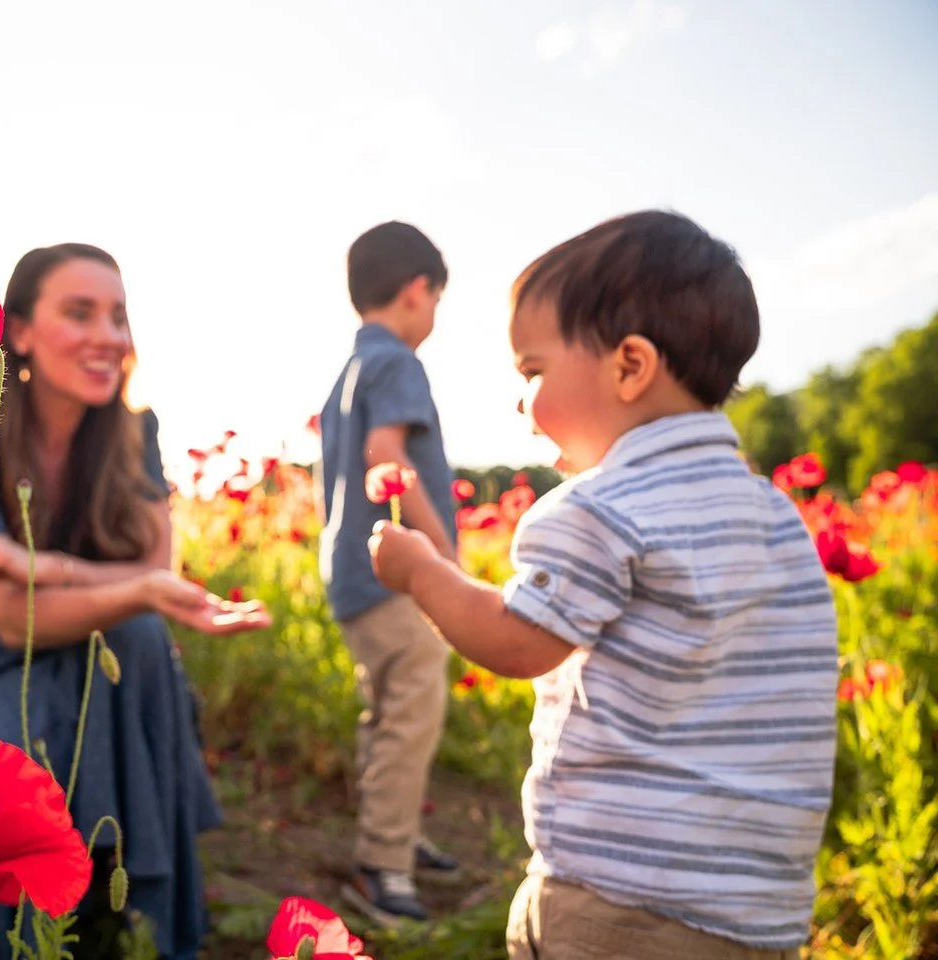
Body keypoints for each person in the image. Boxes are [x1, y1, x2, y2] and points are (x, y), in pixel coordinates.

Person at [369, 211, 837, 960]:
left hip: (620, 901)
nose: (521, 403)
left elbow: (516, 641)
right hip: (759, 912)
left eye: (532, 371)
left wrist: (422, 570)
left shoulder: (601, 505)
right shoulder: (775, 516)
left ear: (629, 366)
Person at [0, 242, 270, 960]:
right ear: (19, 331)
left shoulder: (134, 433)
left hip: (114, 654)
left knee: (136, 636)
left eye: (117, 316)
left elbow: (155, 574)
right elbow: (10, 621)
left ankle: (126, 912)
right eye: (79, 313)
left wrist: (35, 565)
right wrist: (115, 584)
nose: (109, 336)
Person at [316, 221, 461, 926]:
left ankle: (395, 830)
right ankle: (383, 866)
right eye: (436, 299)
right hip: (394, 575)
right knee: (412, 712)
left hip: (348, 573)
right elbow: (386, 456)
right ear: (416, 291)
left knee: (386, 708)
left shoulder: (347, 371)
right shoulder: (398, 362)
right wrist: (444, 559)